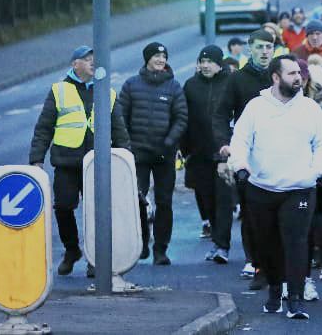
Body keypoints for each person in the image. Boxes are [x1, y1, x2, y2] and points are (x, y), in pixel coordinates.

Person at [227, 55, 322, 320]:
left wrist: (317, 171)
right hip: (261, 187)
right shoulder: (255, 107)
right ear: (276, 77)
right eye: (292, 73)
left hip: (299, 188)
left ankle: (295, 299)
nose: (299, 78)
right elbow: (240, 141)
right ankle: (275, 289)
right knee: (267, 245)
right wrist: (240, 165)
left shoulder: (310, 108)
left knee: (297, 243)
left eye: (299, 73)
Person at [29, 45, 130, 277]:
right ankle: (72, 250)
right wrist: (36, 159)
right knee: (63, 207)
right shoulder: (59, 90)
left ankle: (96, 259)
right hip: (67, 162)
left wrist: (126, 158)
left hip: (98, 163)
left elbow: (119, 129)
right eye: (87, 59)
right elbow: (44, 127)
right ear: (75, 64)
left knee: (98, 213)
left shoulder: (107, 91)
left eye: (95, 59)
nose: (93, 62)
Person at [214, 29, 276, 287]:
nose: (264, 52)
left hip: (278, 152)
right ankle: (257, 263)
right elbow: (220, 115)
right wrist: (225, 144)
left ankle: (276, 264)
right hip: (248, 156)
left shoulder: (280, 76)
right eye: (259, 47)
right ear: (250, 48)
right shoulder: (237, 79)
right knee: (251, 212)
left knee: (278, 209)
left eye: (268, 47)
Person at [119, 42, 188, 266]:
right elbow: (120, 117)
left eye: (163, 56)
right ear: (147, 58)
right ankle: (142, 242)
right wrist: (126, 144)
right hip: (137, 154)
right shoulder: (131, 85)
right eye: (156, 56)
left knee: (164, 202)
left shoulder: (174, 87)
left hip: (164, 154)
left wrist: (169, 142)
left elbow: (181, 118)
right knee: (136, 200)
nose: (160, 60)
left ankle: (161, 249)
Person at [180, 46, 230, 258]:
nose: (206, 65)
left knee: (224, 199)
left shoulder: (230, 83)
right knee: (207, 199)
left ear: (220, 64)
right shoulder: (191, 85)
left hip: (224, 152)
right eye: (202, 61)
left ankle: (222, 245)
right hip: (198, 152)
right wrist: (184, 149)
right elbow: (183, 117)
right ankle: (217, 241)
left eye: (210, 61)